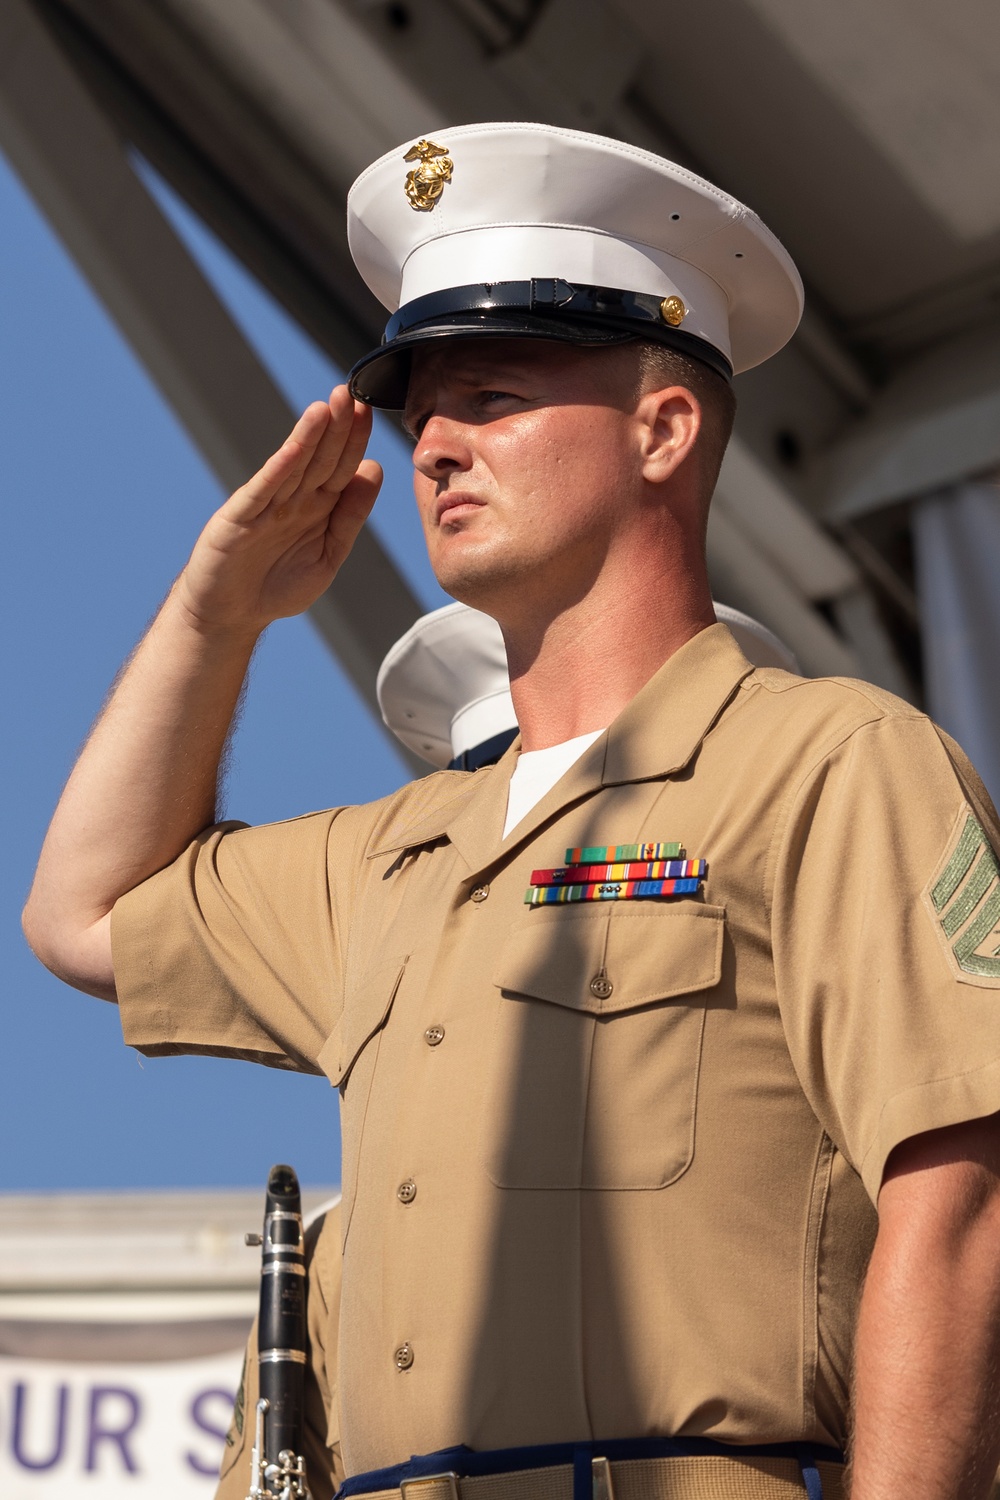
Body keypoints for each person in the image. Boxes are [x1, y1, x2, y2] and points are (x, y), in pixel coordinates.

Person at [23, 122, 1000, 1500]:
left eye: (496, 397)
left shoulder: (825, 764)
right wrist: (214, 613)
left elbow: (957, 1199)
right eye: (426, 413)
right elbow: (82, 915)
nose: (438, 445)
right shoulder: (402, 856)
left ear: (664, 429)